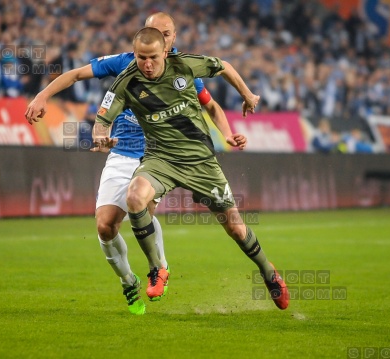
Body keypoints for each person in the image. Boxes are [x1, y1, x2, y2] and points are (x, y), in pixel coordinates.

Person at [25, 13, 247, 315]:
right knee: (105, 226)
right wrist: (43, 95)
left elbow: (211, 105)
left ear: (173, 37)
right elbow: (76, 75)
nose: (162, 39)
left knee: (141, 204)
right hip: (122, 153)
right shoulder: (124, 64)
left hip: (161, 156)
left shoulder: (182, 70)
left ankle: (159, 267)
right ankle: (128, 280)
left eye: (166, 34)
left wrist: (227, 135)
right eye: (155, 33)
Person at [93, 27, 289, 310]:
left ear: (164, 52)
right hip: (161, 159)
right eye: (140, 58)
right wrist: (100, 136)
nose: (147, 65)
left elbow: (224, 66)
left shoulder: (185, 64)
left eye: (152, 58)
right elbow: (102, 118)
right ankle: (157, 269)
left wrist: (246, 94)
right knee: (135, 197)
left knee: (235, 227)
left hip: (200, 161)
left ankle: (268, 272)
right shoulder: (124, 82)